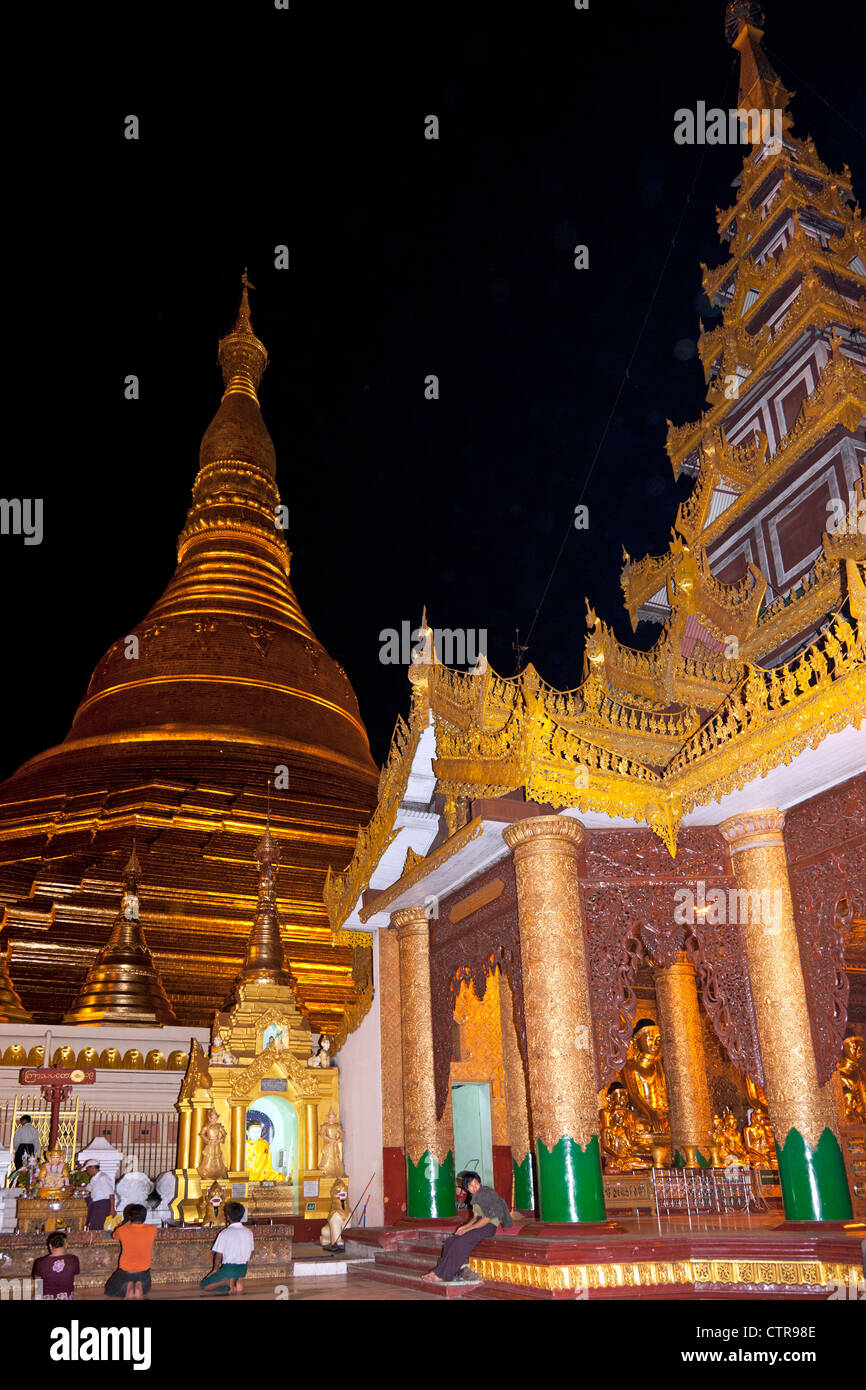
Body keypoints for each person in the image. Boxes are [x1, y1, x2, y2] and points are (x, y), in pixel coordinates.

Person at [421, 1173, 512, 1285]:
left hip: (488, 1227)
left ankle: (441, 1275)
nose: (474, 1187)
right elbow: (474, 1218)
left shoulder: (487, 1194)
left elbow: (487, 1219)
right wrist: (463, 1227)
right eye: (470, 1185)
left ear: (480, 1183)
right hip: (479, 1223)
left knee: (461, 1242)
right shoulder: (475, 1197)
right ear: (466, 1188)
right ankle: (439, 1271)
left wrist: (468, 1230)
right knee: (451, 1240)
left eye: (476, 1184)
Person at [200, 1201, 255, 1296]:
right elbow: (251, 1252)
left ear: (228, 1217)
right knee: (238, 1287)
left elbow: (218, 1255)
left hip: (229, 1268)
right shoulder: (249, 1232)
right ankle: (237, 1280)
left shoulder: (224, 1233)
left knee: (205, 1285)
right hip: (243, 1268)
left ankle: (228, 1281)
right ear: (242, 1216)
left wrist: (215, 1269)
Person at [104, 1204, 156, 1300]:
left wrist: (127, 1222)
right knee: (141, 1281)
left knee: (109, 1289)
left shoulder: (122, 1230)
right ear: (144, 1217)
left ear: (130, 1217)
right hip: (144, 1271)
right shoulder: (153, 1229)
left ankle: (129, 1287)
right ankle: (138, 1286)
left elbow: (114, 1236)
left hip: (126, 1270)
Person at [32, 1231, 80, 1301]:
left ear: (50, 1246)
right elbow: (74, 1275)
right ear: (66, 1245)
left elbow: (38, 1286)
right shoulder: (74, 1259)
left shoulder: (40, 1262)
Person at [84, 1161, 115, 1231]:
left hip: (103, 1205)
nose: (87, 1172)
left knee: (98, 1226)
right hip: (95, 1205)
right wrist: (74, 1188)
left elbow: (111, 1194)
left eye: (88, 1170)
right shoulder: (94, 1178)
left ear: (93, 1168)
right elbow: (88, 1188)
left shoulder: (103, 1178)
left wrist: (112, 1209)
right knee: (92, 1226)